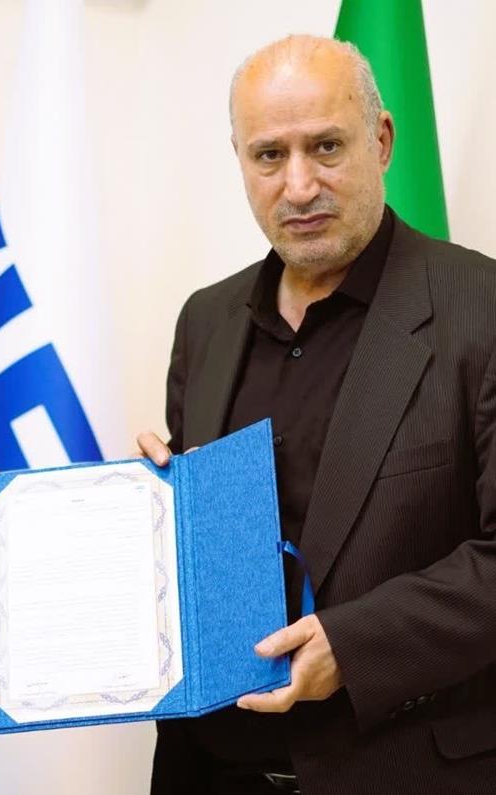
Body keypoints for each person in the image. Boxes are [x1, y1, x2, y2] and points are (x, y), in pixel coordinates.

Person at [138, 35, 496, 794]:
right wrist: (150, 506)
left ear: (382, 141)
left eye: (325, 147)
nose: (298, 186)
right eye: (269, 156)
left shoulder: (481, 308)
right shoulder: (204, 321)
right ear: (239, 160)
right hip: (209, 771)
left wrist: (356, 645)